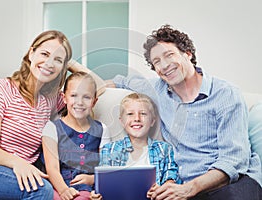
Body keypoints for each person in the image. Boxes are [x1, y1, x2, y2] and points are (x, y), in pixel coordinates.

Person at [105, 24, 262, 199]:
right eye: (157, 62)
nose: (164, 65)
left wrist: (190, 188)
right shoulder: (157, 89)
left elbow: (234, 160)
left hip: (231, 182)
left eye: (169, 55)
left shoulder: (225, 94)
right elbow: (120, 81)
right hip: (185, 187)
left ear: (188, 54)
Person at [0, 30, 73, 199]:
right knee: (41, 189)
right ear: (31, 53)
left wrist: (73, 65)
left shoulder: (49, 101)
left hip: (13, 173)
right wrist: (20, 164)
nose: (49, 63)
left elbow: (94, 91)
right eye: (45, 54)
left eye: (57, 60)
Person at [91, 92, 181, 200]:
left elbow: (171, 177)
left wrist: (162, 189)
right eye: (130, 114)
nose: (137, 118)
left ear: (152, 121)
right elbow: (103, 182)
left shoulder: (164, 149)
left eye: (143, 114)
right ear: (122, 121)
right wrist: (97, 195)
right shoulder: (110, 150)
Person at [42, 71, 111, 200]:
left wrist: (92, 179)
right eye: (74, 95)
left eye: (86, 97)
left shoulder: (102, 129)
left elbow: (105, 168)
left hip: (87, 188)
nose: (80, 102)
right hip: (58, 186)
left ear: (94, 101)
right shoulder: (51, 128)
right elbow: (52, 169)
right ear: (64, 98)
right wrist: (63, 190)